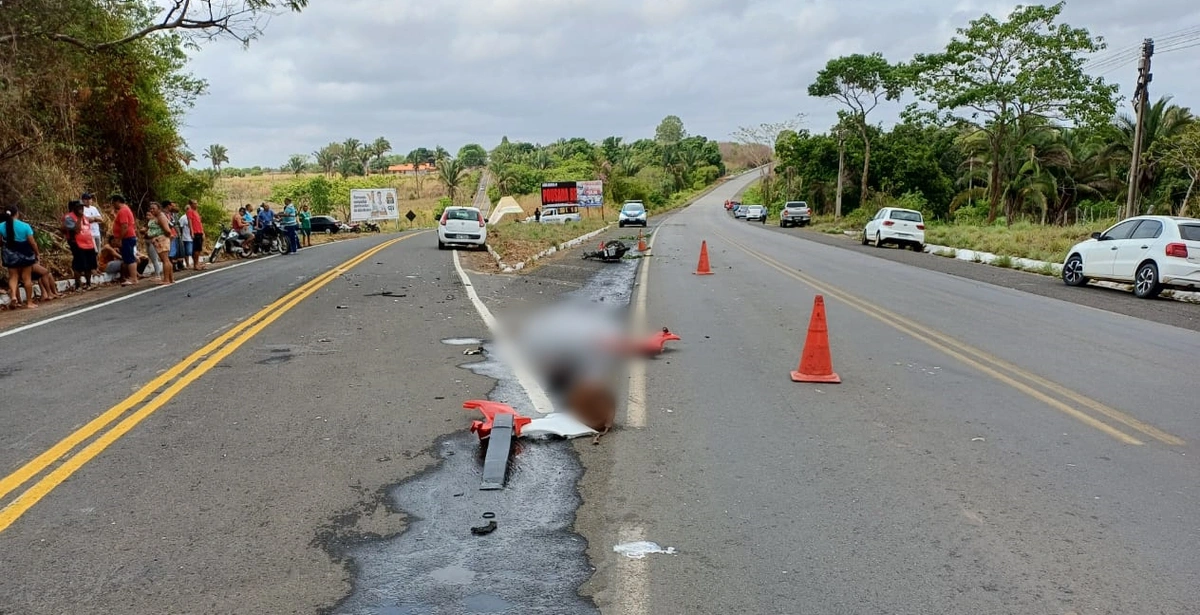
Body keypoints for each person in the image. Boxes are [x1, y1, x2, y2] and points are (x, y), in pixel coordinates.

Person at [2, 204, 41, 308]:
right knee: (26, 278)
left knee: (13, 277)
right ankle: (29, 302)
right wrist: (37, 253)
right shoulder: (25, 226)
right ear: (17, 213)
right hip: (25, 254)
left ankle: (14, 296)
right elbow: (32, 243)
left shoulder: (1, 226)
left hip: (10, 254)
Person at [62, 200, 97, 290]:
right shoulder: (69, 218)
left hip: (88, 243)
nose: (81, 209)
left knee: (89, 264)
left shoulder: (85, 217)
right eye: (79, 207)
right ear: (74, 208)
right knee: (79, 264)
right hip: (77, 243)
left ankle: (88, 283)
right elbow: (76, 230)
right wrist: (80, 218)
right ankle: (78, 285)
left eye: (82, 207)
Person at [108, 194, 139, 286]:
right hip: (128, 237)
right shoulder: (125, 209)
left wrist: (119, 239)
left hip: (127, 237)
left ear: (117, 201)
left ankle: (133, 278)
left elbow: (124, 226)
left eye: (113, 202)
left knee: (129, 258)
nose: (113, 205)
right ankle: (133, 277)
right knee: (128, 257)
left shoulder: (123, 211)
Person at [146, 202, 175, 285]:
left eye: (153, 208)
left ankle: (166, 280)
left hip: (161, 240)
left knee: (165, 260)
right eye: (150, 208)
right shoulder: (158, 216)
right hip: (161, 239)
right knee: (166, 260)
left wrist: (161, 238)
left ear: (159, 209)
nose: (151, 210)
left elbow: (167, 230)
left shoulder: (161, 217)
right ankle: (170, 278)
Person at [186, 200, 206, 269]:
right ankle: (195, 265)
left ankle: (197, 263)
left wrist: (203, 232)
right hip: (195, 232)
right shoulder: (190, 211)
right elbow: (190, 222)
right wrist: (192, 232)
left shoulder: (196, 212)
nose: (196, 205)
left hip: (199, 232)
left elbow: (199, 223)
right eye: (194, 203)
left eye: (196, 203)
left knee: (199, 249)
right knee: (196, 249)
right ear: (191, 204)